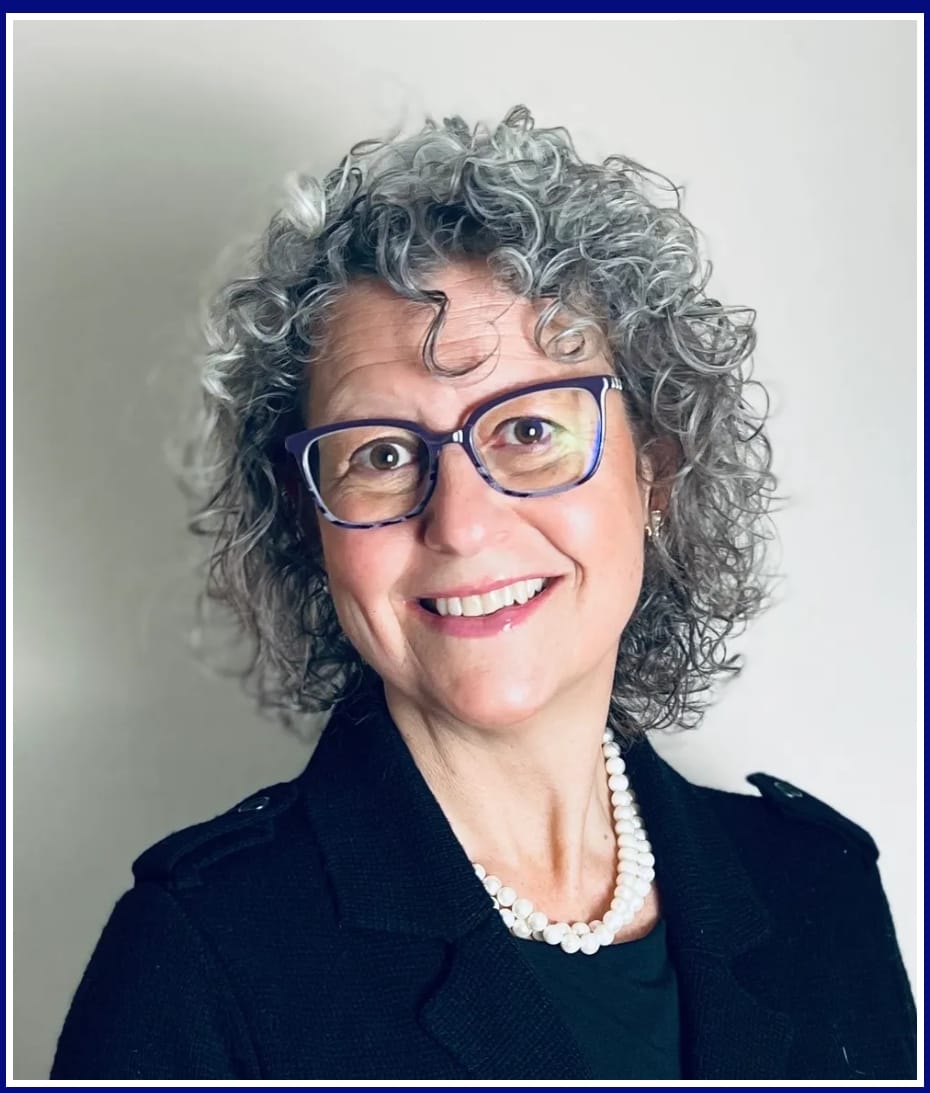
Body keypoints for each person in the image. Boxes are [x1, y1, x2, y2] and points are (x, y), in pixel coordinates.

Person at [50, 106, 916, 1080]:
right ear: (310, 525)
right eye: (382, 454)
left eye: (530, 431)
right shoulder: (199, 958)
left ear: (655, 473)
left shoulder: (823, 893)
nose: (459, 523)